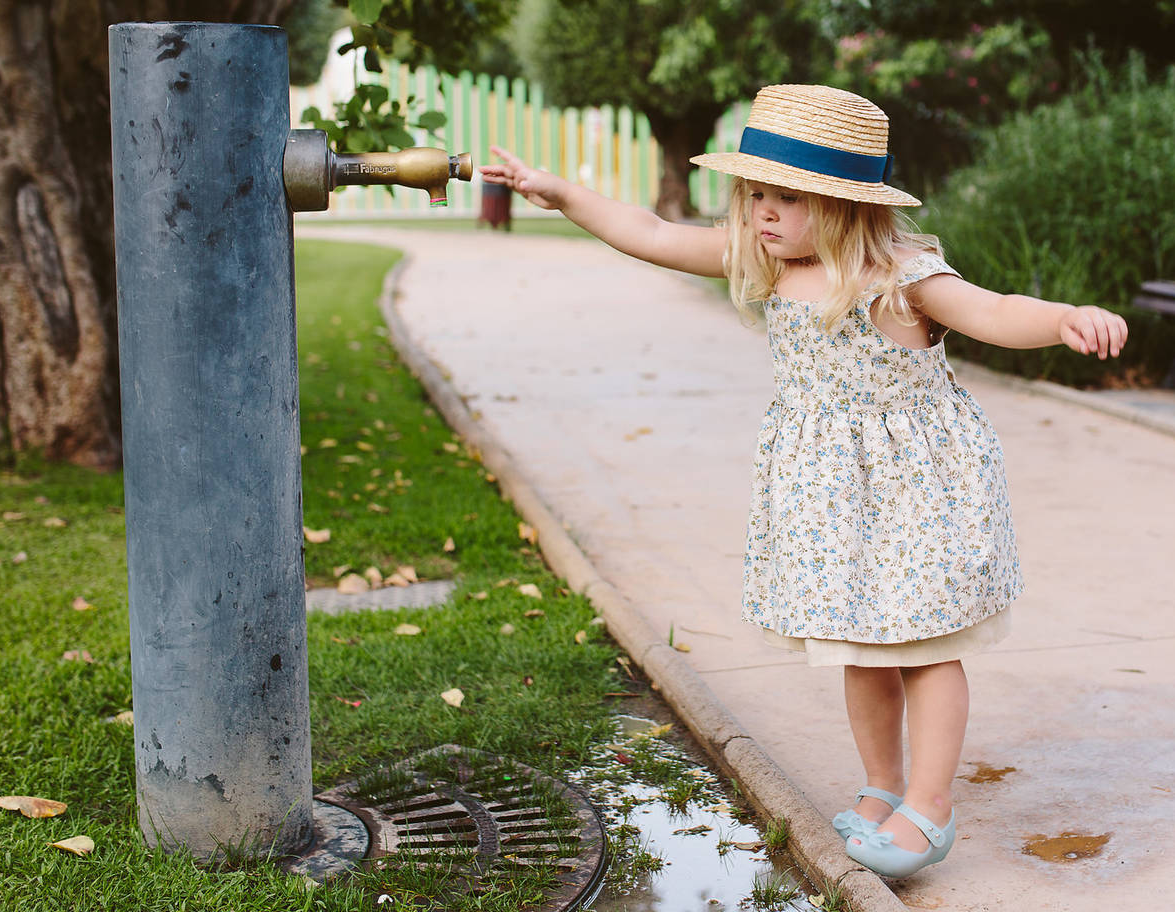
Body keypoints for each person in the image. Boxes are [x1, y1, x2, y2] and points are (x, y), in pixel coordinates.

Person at [479, 84, 1127, 880]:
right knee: (860, 646)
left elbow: (993, 309)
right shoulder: (764, 261)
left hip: (918, 490)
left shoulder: (901, 276)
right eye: (754, 194)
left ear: (848, 205)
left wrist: (1063, 317)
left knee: (925, 647)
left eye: (786, 197)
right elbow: (647, 231)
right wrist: (562, 194)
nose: (763, 214)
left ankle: (931, 801)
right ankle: (883, 784)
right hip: (834, 499)